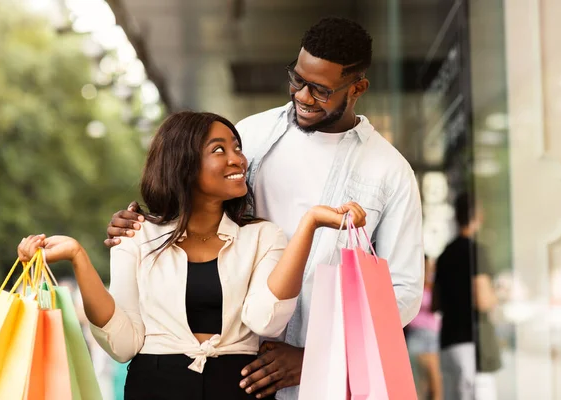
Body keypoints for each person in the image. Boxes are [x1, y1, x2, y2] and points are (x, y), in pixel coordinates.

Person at [106, 17, 424, 399]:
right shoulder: (251, 136)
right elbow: (195, 204)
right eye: (297, 80)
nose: (303, 96)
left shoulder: (390, 172)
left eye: (320, 90)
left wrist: (313, 357)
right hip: (233, 372)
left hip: (326, 378)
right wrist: (143, 223)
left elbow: (402, 292)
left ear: (357, 88)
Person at [17, 111, 366, 400]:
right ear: (183, 163)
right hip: (155, 388)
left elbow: (266, 320)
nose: (238, 159)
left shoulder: (263, 236)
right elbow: (123, 343)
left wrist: (310, 224)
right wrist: (79, 258)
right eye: (219, 149)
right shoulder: (137, 236)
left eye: (237, 147)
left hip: (239, 388)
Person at [432, 193, 501, 400]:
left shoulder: (445, 254)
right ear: (478, 215)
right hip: (473, 345)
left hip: (448, 342)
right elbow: (482, 300)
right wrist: (500, 295)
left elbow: (436, 303)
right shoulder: (476, 251)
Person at [406, 256, 442, 400]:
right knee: (419, 381)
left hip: (432, 335)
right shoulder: (414, 287)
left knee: (435, 381)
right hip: (416, 334)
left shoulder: (435, 288)